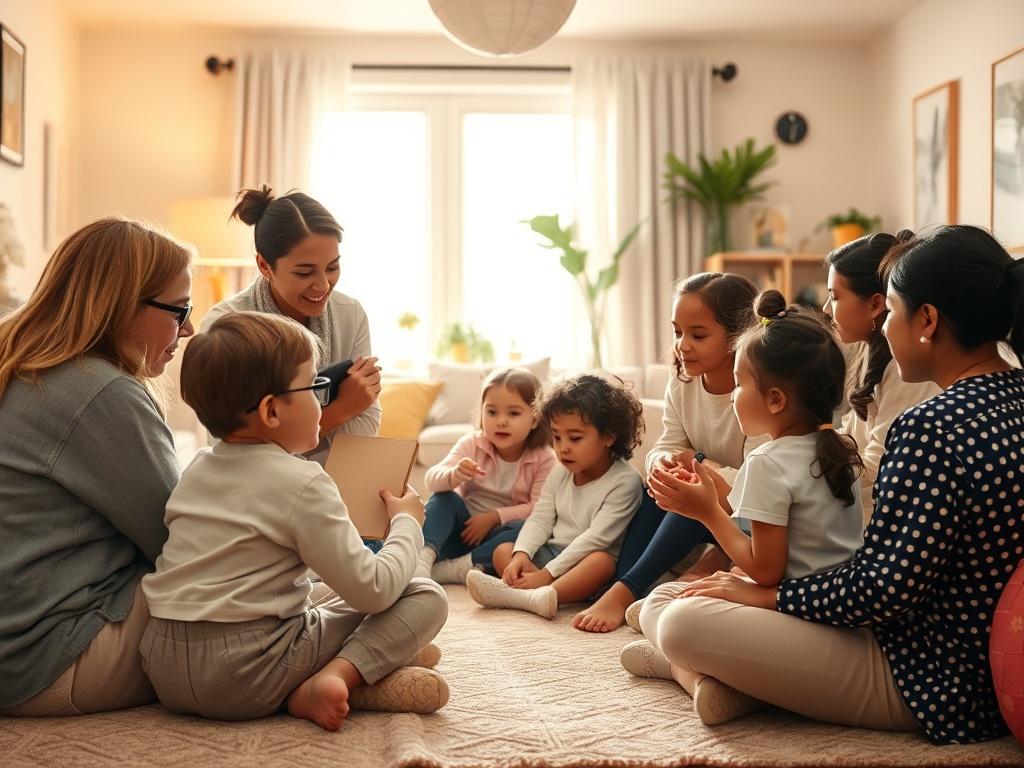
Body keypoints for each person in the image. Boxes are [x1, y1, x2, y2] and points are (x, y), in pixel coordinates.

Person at [636, 225, 1024, 745]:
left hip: (928, 678)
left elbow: (883, 590)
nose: (885, 328)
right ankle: (725, 675)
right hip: (981, 666)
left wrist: (771, 597)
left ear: (927, 320)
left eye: (891, 311)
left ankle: (724, 678)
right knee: (677, 602)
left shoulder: (930, 425)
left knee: (681, 619)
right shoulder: (1013, 397)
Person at [140, 312, 449, 731]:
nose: (323, 400)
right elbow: (373, 590)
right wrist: (407, 524)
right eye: (315, 386)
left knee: (315, 591)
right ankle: (337, 676)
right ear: (271, 411)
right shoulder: (302, 480)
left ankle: (336, 670)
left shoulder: (197, 467)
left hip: (163, 665)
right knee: (423, 595)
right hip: (246, 673)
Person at [624, 291, 865, 721]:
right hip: (829, 609)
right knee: (665, 599)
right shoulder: (838, 449)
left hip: (794, 614)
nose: (732, 395)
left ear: (775, 400)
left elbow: (765, 570)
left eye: (739, 384)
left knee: (664, 604)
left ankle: (689, 674)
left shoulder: (767, 461)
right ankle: (709, 675)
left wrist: (708, 512)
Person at [0, 218, 193, 716]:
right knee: (243, 575)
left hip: (16, 645)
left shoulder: (19, 362)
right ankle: (356, 664)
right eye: (179, 310)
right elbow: (181, 545)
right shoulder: (100, 391)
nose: (189, 328)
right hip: (47, 656)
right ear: (122, 305)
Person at [574, 273, 763, 633]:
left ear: (738, 335)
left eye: (698, 334)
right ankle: (627, 582)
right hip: (707, 503)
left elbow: (760, 477)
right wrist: (663, 464)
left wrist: (696, 468)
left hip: (751, 513)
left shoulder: (759, 390)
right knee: (654, 487)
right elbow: (666, 443)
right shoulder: (682, 380)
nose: (682, 345)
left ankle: (625, 590)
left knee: (693, 486)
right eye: (678, 332)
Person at [201, 186, 382, 462]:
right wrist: (341, 409)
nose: (323, 285)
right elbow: (236, 448)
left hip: (338, 479)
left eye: (332, 267)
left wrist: (287, 429)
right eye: (304, 272)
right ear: (264, 265)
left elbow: (367, 421)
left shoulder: (351, 314)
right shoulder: (225, 326)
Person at [466, 374, 644, 620]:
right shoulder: (560, 471)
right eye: (557, 437)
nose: (563, 448)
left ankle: (531, 594)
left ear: (609, 436)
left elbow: (595, 539)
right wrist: (522, 555)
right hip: (552, 552)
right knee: (503, 550)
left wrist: (547, 575)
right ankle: (532, 596)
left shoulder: (625, 481)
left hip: (585, 563)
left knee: (601, 563)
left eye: (575, 438)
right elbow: (540, 518)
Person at [824, 233, 939, 524]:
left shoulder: (908, 371)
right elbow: (851, 437)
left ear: (876, 304)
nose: (826, 309)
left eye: (835, 297)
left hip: (885, 518)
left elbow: (878, 465)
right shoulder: (870, 353)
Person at [416, 368, 555, 583]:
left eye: (513, 413)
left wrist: (494, 517)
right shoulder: (472, 443)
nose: (501, 421)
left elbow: (538, 508)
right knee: (444, 498)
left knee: (525, 528)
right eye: (492, 412)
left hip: (497, 540)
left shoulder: (544, 458)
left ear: (535, 419)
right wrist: (454, 475)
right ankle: (423, 560)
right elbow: (431, 479)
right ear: (481, 413)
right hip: (462, 532)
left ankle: (458, 569)